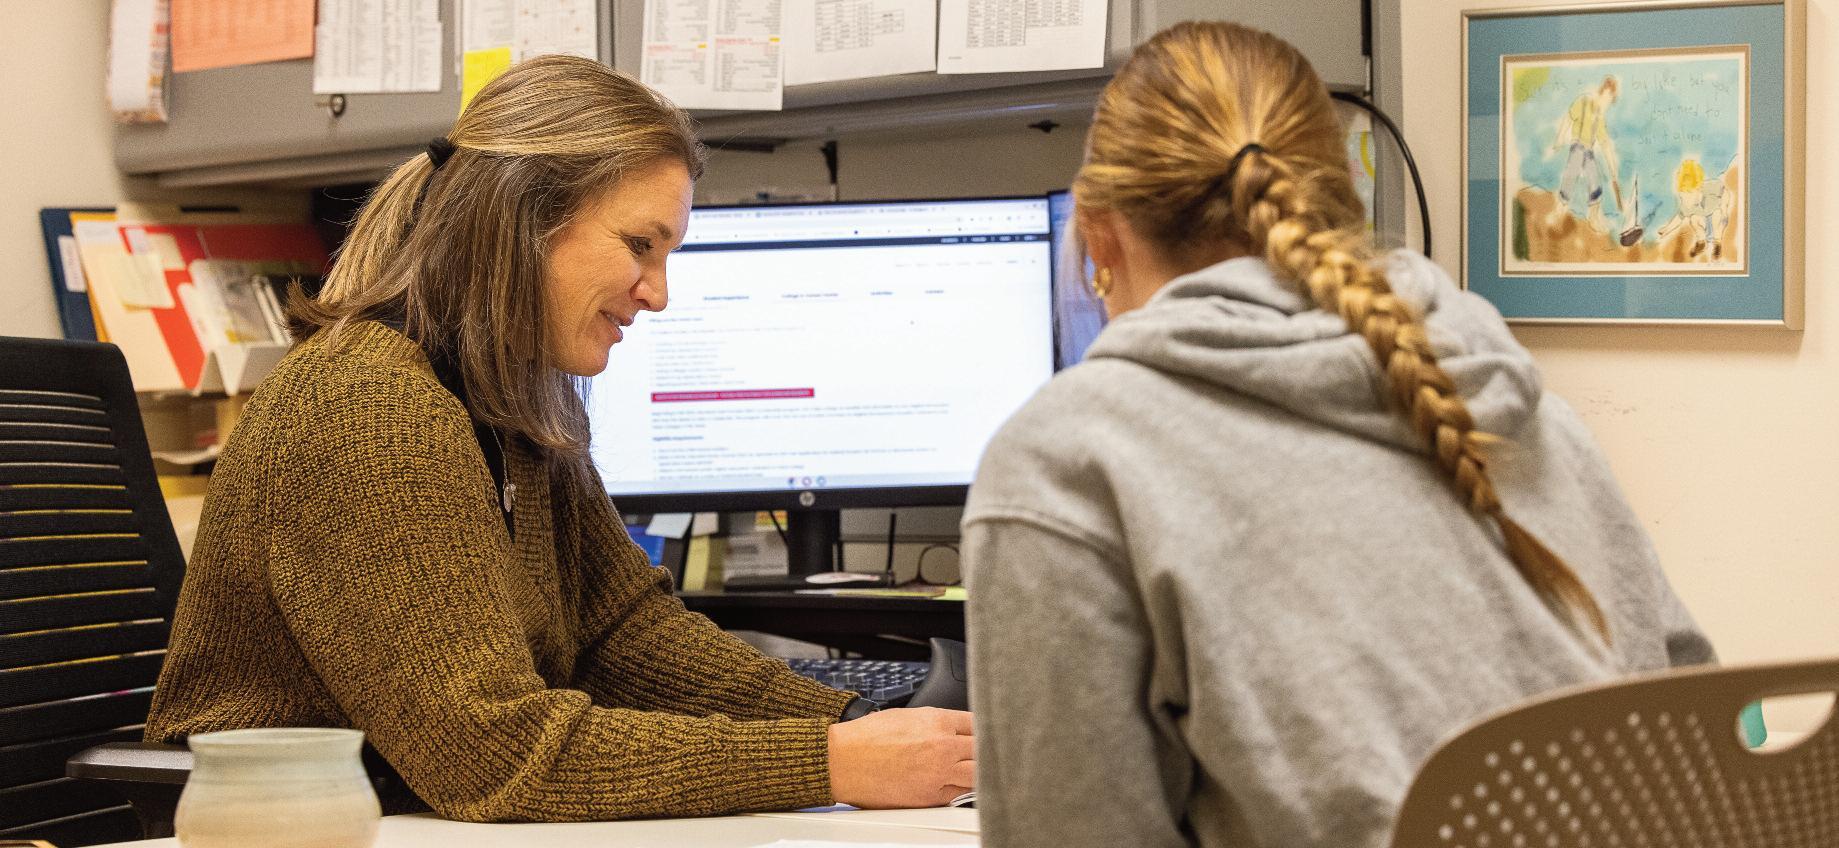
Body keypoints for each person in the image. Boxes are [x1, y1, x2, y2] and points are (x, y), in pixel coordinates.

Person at [145, 56, 973, 823]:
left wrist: (859, 721)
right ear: (522, 222)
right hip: (284, 825)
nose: (657, 294)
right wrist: (828, 761)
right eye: (640, 246)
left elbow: (623, 634)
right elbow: (491, 754)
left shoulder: (511, 396)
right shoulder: (366, 408)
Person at [962, 22, 1713, 848]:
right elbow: (1702, 727)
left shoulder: (1067, 461)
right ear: (1344, 202)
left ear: (1098, 235)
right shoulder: (1529, 413)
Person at [1548, 75, 1622, 233]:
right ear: (1605, 92)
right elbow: (1568, 118)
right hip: (1577, 146)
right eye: (1609, 100)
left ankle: (1594, 217)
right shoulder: (1583, 102)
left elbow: (1605, 145)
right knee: (1571, 173)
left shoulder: (1600, 118)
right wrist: (1559, 139)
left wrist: (1613, 169)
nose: (1607, 105)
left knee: (1595, 179)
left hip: (1588, 150)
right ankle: (1558, 212)